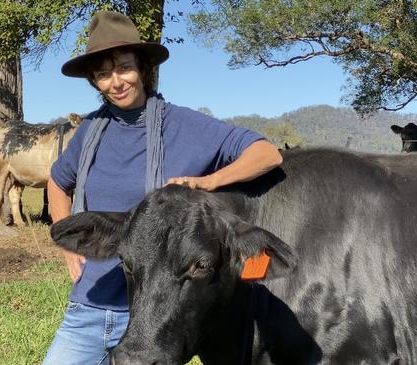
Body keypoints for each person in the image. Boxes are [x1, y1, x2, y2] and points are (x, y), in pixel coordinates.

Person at [43, 10, 283, 365]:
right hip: (90, 306)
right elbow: (57, 181)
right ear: (94, 82)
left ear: (143, 68)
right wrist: (68, 246)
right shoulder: (89, 131)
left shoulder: (186, 125)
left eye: (124, 67)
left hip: (159, 315)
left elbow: (266, 154)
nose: (116, 82)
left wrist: (209, 181)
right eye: (103, 74)